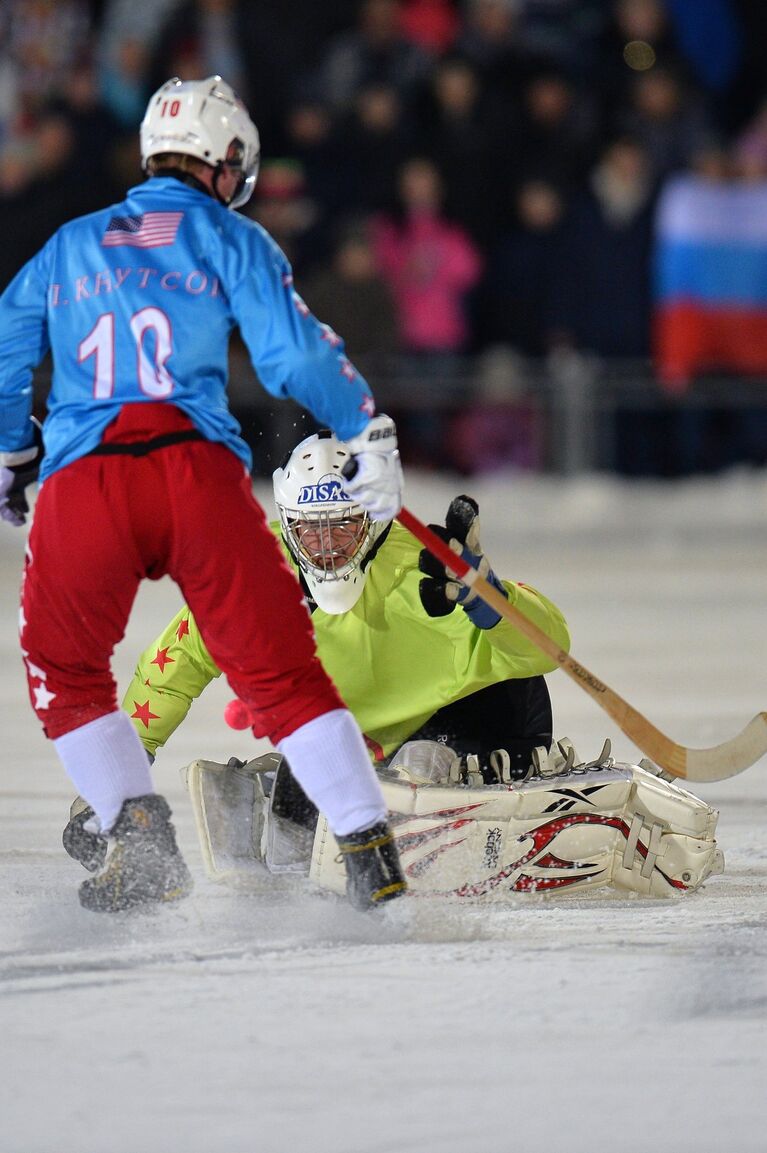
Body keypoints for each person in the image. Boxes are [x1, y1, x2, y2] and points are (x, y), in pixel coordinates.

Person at [0, 75, 407, 914]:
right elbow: (294, 358)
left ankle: (138, 834)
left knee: (63, 670)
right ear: (225, 161)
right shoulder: (233, 236)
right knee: (282, 673)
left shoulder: (68, 244)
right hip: (197, 477)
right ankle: (370, 850)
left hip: (88, 479)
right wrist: (362, 428)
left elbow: (6, 344)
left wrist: (11, 453)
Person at [63, 429, 570, 877]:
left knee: (424, 760)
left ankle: (436, 784)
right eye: (311, 530)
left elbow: (552, 649)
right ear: (288, 525)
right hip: (354, 738)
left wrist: (495, 604)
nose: (327, 547)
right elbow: (176, 666)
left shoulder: (425, 565)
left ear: (370, 523)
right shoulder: (253, 577)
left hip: (480, 717)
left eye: (343, 528)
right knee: (289, 845)